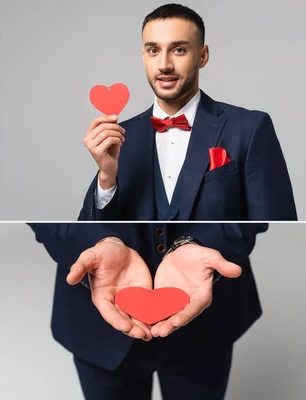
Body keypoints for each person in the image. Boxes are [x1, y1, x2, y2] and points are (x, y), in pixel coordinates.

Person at [78, 3, 296, 221]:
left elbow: (278, 226)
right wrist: (106, 178)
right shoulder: (120, 136)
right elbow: (93, 237)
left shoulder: (250, 128)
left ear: (203, 56)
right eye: (154, 50)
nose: (164, 65)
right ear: (144, 56)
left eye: (179, 50)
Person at [29, 222, 268, 400]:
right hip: (98, 326)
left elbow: (257, 203)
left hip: (207, 322)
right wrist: (97, 242)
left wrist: (204, 242)